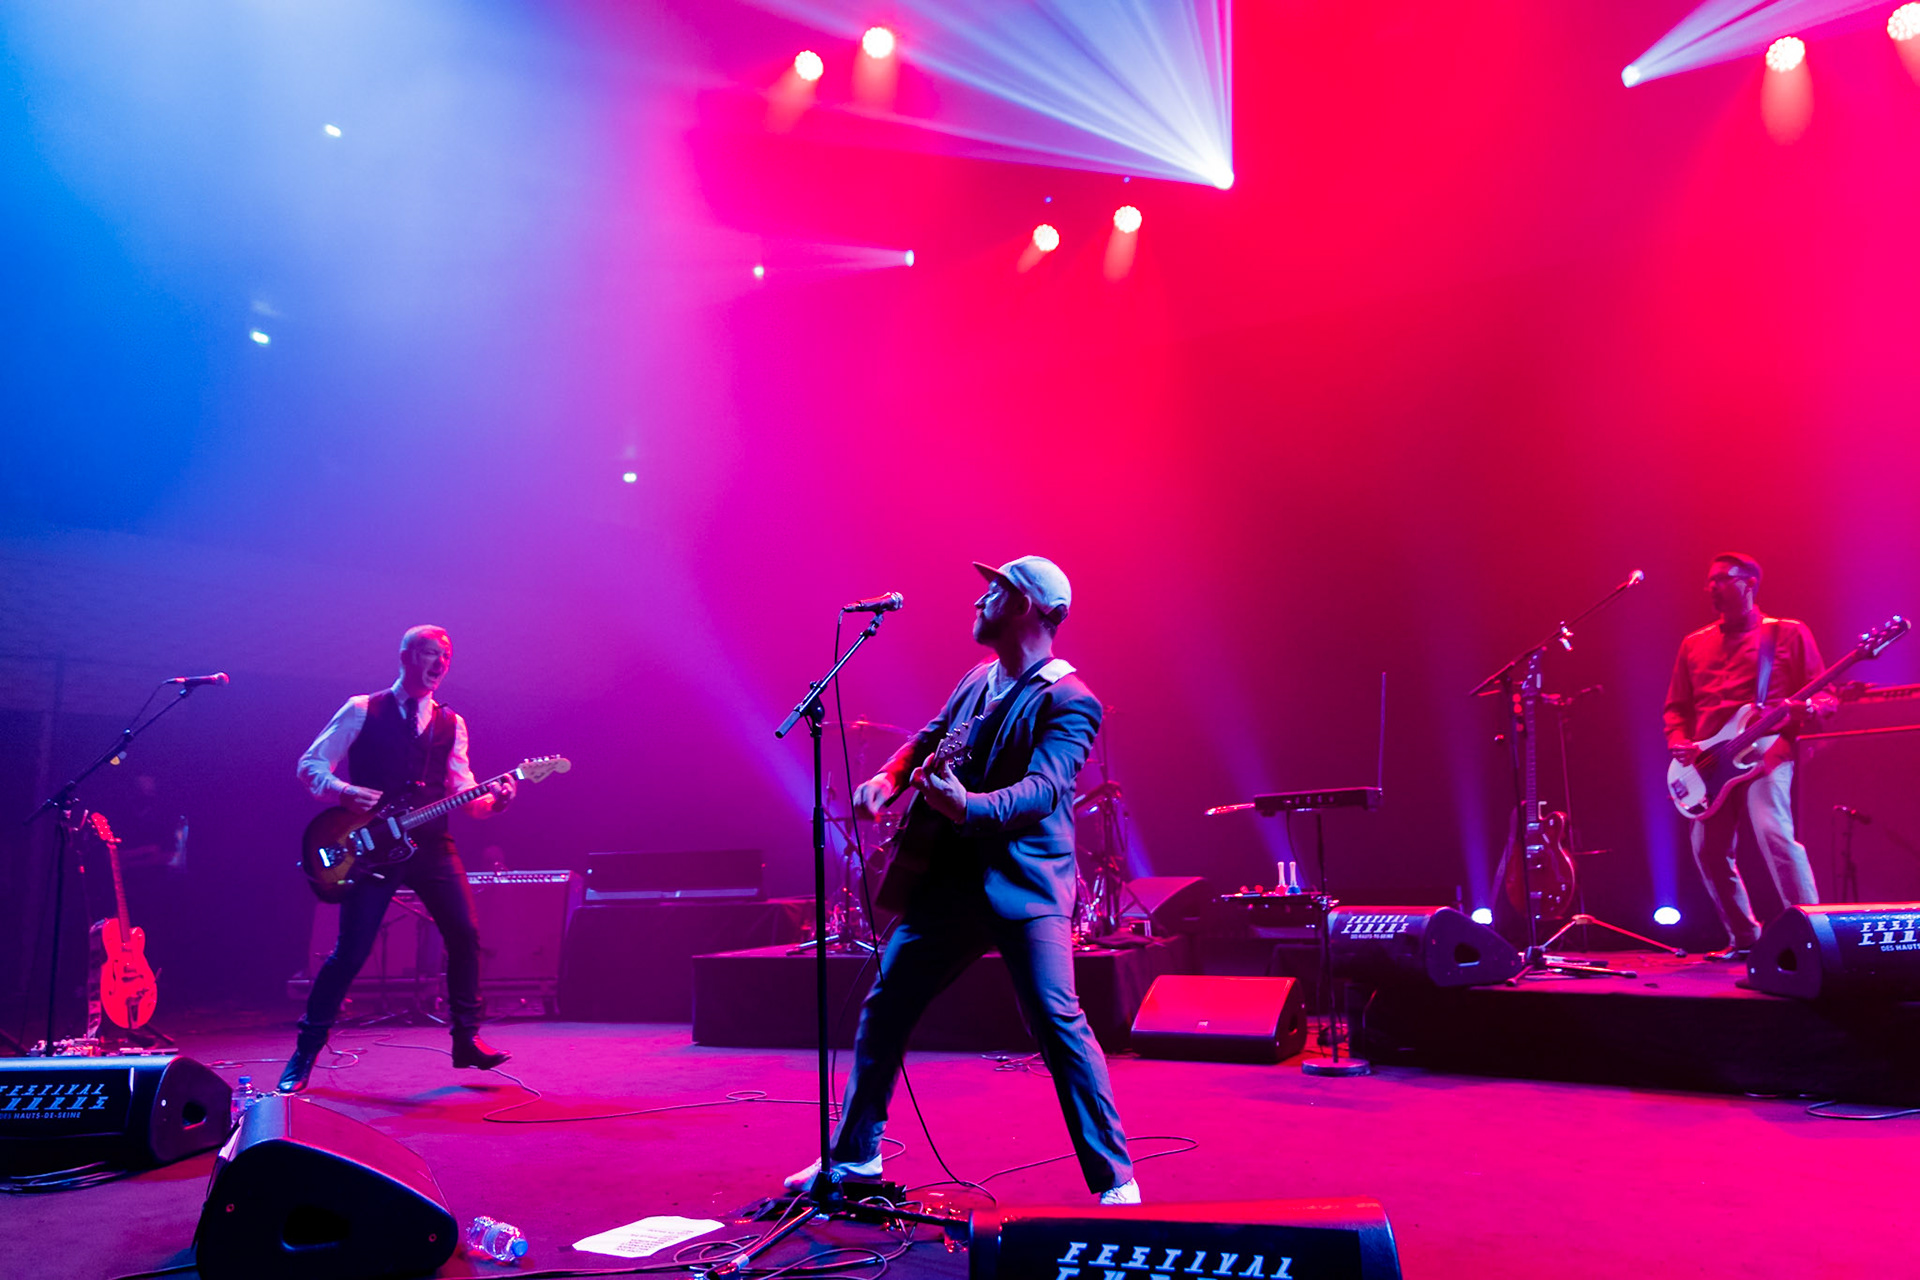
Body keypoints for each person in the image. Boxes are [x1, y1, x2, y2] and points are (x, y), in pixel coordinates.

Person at [786, 556, 1139, 1205]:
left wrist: (969, 809)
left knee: (1057, 1025)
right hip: (950, 881)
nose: (980, 602)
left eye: (997, 591)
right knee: (887, 1005)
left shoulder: (1069, 699)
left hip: (1024, 885)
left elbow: (1045, 789)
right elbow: (930, 739)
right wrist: (889, 780)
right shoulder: (978, 679)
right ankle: (857, 1156)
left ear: (1033, 608)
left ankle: (1115, 1182)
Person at [279, 625, 516, 1092]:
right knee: (350, 951)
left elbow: (463, 791)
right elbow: (310, 764)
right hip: (371, 846)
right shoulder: (363, 709)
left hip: (430, 843)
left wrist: (494, 802)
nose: (439, 664)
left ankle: (466, 1039)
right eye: (430, 654)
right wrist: (345, 792)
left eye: (445, 658)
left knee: (465, 933)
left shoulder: (452, 723)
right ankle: (305, 1050)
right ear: (407, 657)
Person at [1664, 553, 1832, 961]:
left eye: (1722, 579)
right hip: (1708, 765)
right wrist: (1679, 741)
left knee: (1773, 833)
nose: (1712, 587)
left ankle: (1814, 936)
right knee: (1706, 850)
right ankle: (1745, 938)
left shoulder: (1787, 633)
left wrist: (1808, 710)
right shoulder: (1694, 643)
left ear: (1750, 583)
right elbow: (1676, 708)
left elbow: (1825, 697)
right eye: (1709, 581)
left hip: (1767, 752)